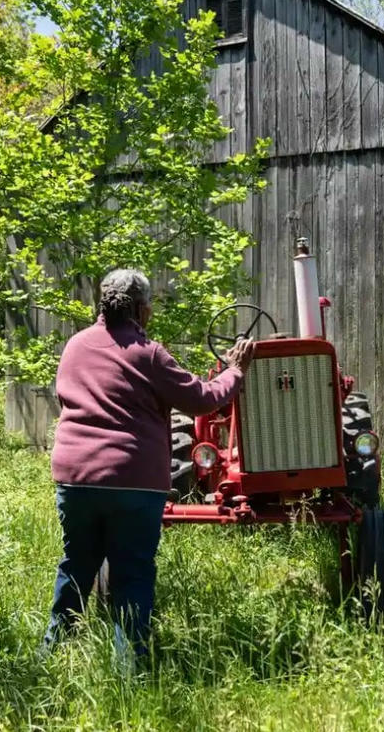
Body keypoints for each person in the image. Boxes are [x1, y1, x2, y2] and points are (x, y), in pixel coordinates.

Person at [42, 268, 254, 664]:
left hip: (75, 478)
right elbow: (203, 399)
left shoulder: (74, 346)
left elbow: (67, 401)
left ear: (103, 304)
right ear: (142, 311)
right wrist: (236, 371)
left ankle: (50, 659)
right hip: (134, 482)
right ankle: (128, 674)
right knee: (133, 575)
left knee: (76, 566)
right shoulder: (149, 353)